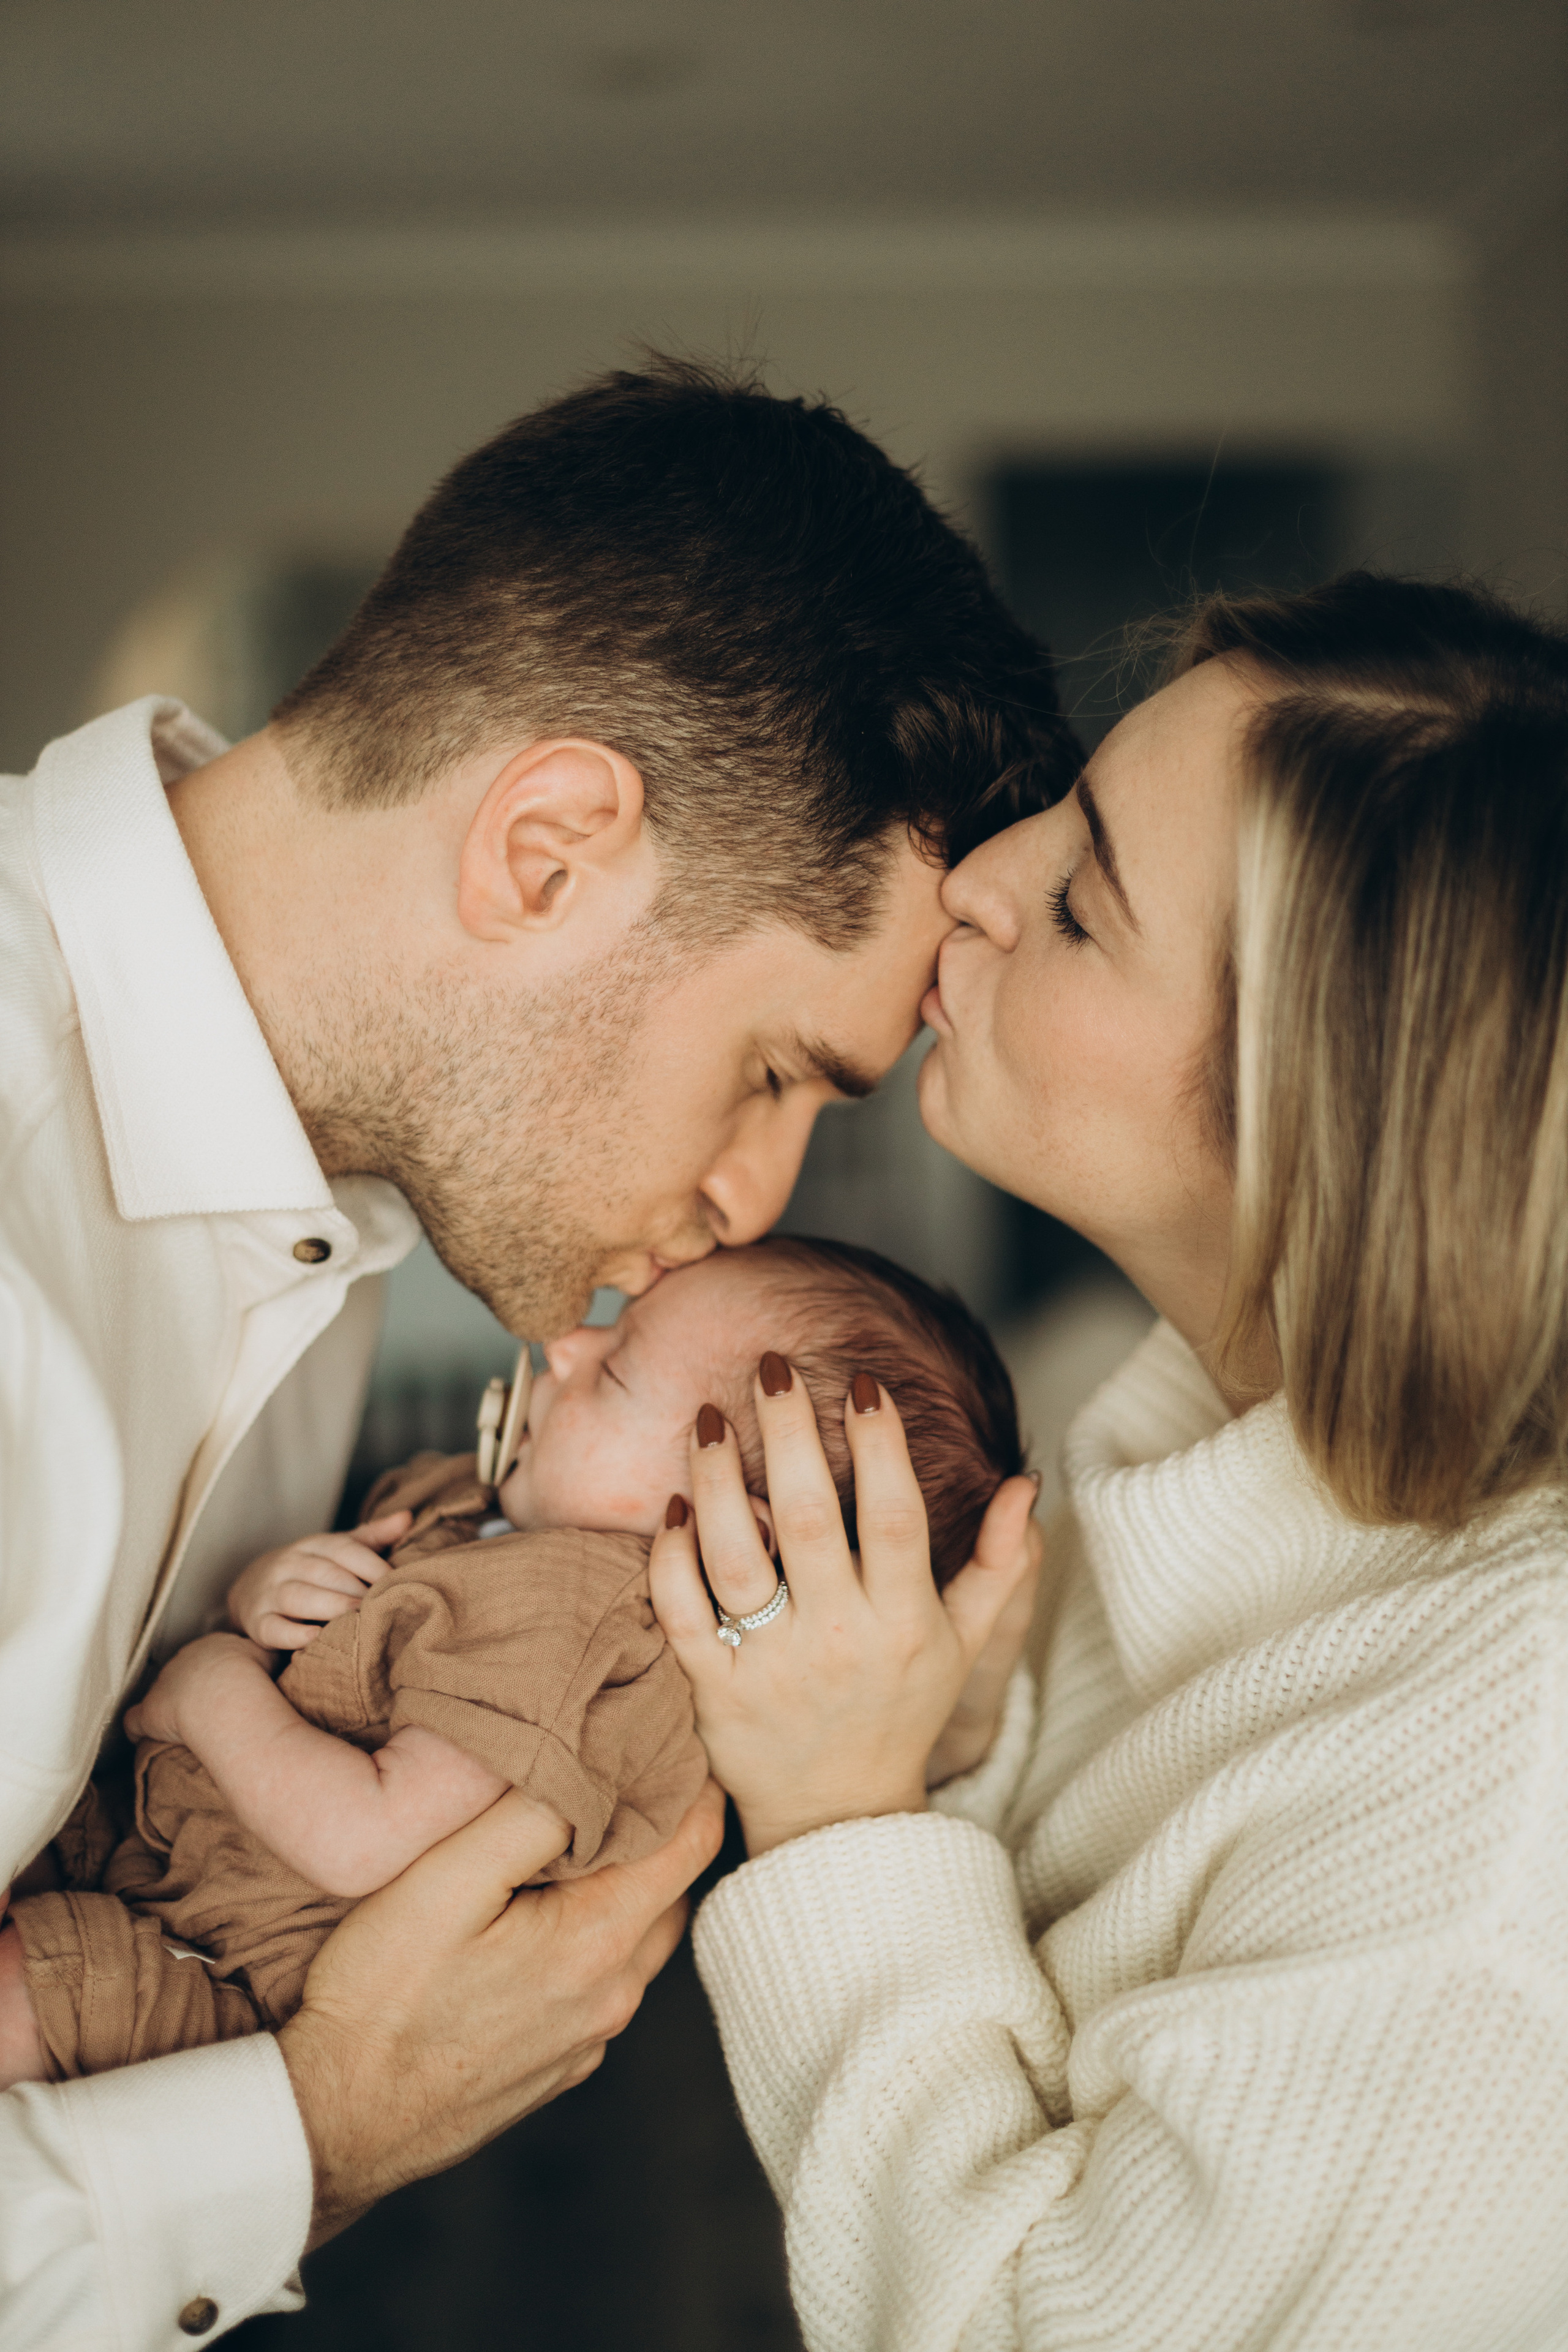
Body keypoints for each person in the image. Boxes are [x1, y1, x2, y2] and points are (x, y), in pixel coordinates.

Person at [0, 357, 1068, 2345]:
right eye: (773, 1071)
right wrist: (311, 2132)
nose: (755, 1205)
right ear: (550, 849)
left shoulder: (324, 1243)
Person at [650, 573, 1568, 2350]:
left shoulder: (1496, 1869)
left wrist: (843, 1819)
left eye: (1080, 903)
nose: (974, 882)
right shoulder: (1154, 1458)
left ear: (1322, 1114)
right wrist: (950, 1743)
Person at [0, 1235, 1023, 2084]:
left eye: (616, 1365)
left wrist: (213, 1687)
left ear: (731, 1537)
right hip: (151, 1848)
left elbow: (366, 1836)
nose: (566, 1345)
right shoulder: (508, 1514)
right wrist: (272, 1589)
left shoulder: (579, 1631)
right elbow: (359, 1635)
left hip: (206, 1966)